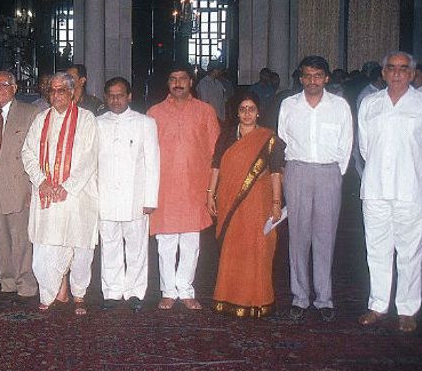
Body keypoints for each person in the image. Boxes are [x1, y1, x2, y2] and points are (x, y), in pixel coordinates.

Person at [358, 51, 422, 333]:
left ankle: (407, 309)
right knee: (376, 249)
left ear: (412, 74)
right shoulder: (370, 103)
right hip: (376, 188)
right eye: (391, 68)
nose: (397, 73)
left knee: (410, 252)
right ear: (383, 73)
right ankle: (378, 305)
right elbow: (365, 148)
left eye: (403, 69)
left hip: (411, 188)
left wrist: (421, 179)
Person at [278, 56, 352, 323]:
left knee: (325, 237)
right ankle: (300, 297)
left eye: (318, 75)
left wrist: (334, 175)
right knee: (298, 237)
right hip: (297, 171)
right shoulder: (289, 105)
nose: (312, 81)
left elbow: (347, 144)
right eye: (307, 76)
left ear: (327, 78)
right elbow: (282, 140)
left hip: (328, 173)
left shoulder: (339, 106)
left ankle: (324, 299)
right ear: (300, 78)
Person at [22, 72, 98, 315]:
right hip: (47, 195)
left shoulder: (86, 119)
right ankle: (49, 292)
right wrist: (41, 181)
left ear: (72, 92)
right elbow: (28, 153)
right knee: (45, 246)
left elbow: (89, 158)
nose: (56, 95)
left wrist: (67, 187)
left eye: (61, 90)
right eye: (52, 91)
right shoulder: (40, 119)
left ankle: (79, 294)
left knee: (80, 247)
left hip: (77, 196)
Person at [148, 63, 219, 311]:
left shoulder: (205, 111)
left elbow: (215, 153)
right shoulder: (154, 113)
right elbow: (147, 154)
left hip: (194, 186)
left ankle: (186, 290)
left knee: (191, 241)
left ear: (191, 81)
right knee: (166, 242)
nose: (177, 83)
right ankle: (168, 291)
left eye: (182, 79)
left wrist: (212, 188)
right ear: (167, 83)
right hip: (164, 188)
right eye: (172, 79)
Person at [207, 91, 285, 318]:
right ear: (237, 113)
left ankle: (257, 300)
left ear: (258, 111)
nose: (247, 113)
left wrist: (276, 202)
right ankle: (227, 298)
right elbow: (216, 166)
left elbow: (275, 173)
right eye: (243, 109)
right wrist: (210, 194)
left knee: (257, 247)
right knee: (232, 248)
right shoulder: (227, 136)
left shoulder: (269, 138)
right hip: (229, 199)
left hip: (259, 202)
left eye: (251, 108)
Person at [96, 77, 159, 311]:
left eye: (120, 94)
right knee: (109, 245)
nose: (115, 99)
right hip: (106, 197)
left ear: (129, 96)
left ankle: (135, 292)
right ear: (105, 97)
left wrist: (150, 199)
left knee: (137, 247)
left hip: (136, 198)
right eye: (111, 95)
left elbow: (153, 163)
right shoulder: (97, 123)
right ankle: (111, 291)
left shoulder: (145, 123)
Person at [0, 71, 40, 302]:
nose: (0, 89)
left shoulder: (30, 113)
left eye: (5, 85)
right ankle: (6, 282)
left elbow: (36, 152)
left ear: (15, 88)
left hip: (19, 185)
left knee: (21, 238)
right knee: (1, 237)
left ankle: (26, 284)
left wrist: (31, 189)